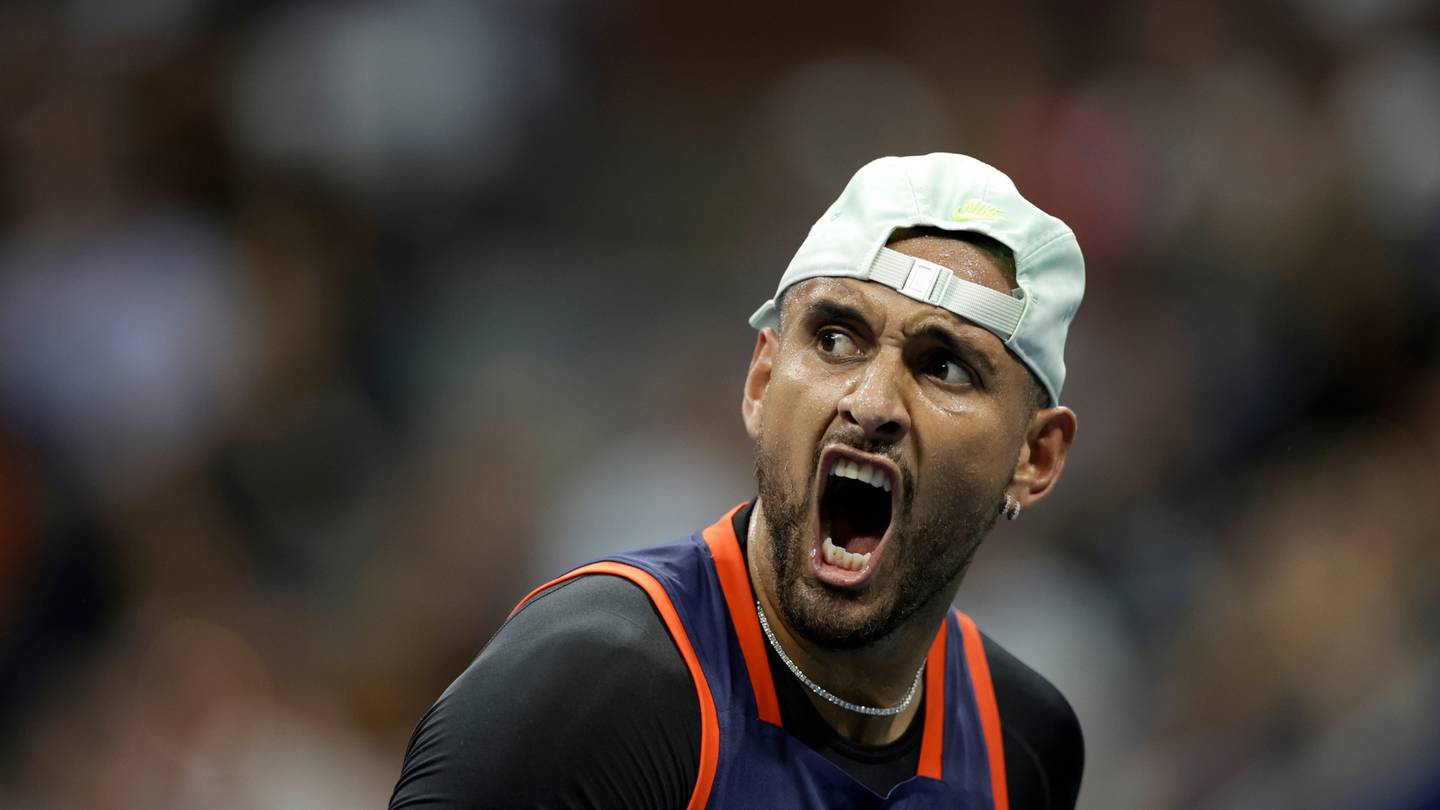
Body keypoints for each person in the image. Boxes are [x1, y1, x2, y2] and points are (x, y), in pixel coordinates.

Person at [390, 153, 1086, 809]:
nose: (872, 404)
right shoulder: (592, 694)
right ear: (760, 381)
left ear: (1036, 456)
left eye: (945, 367)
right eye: (837, 338)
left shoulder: (1022, 742)